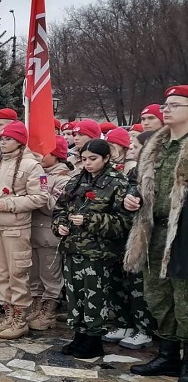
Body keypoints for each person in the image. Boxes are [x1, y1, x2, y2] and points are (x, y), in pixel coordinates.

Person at [124, 85, 188, 382]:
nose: (167, 108)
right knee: (157, 296)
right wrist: (132, 197)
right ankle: (167, 355)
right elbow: (141, 185)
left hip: (183, 233)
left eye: (176, 104)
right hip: (154, 231)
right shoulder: (156, 145)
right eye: (166, 104)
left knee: (185, 298)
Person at [53, 139, 132, 358]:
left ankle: (93, 338)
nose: (87, 163)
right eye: (84, 159)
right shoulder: (77, 180)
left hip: (99, 252)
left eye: (93, 159)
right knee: (75, 295)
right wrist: (59, 225)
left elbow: (123, 222)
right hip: (73, 248)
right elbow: (60, 207)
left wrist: (90, 220)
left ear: (106, 158)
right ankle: (79, 334)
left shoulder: (117, 183)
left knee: (94, 296)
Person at [0, 121, 47, 340]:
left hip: (16, 229)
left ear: (19, 140)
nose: (2, 142)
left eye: (8, 139)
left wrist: (11, 204)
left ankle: (20, 319)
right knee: (0, 274)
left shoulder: (31, 165)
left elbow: (41, 197)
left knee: (18, 274)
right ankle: (7, 315)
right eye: (1, 139)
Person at [102, 130, 157, 349]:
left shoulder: (152, 170)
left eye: (136, 146)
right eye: (132, 146)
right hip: (122, 232)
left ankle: (144, 328)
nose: (133, 149)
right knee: (118, 281)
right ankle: (124, 323)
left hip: (145, 235)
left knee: (138, 285)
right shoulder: (134, 171)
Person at [26, 136, 73, 331]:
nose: (39, 155)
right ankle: (36, 308)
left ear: (56, 155)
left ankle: (48, 313)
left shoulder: (64, 179)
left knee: (50, 277)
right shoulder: (38, 174)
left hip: (49, 235)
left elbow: (54, 208)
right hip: (33, 233)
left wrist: (41, 189)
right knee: (34, 276)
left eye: (44, 152)